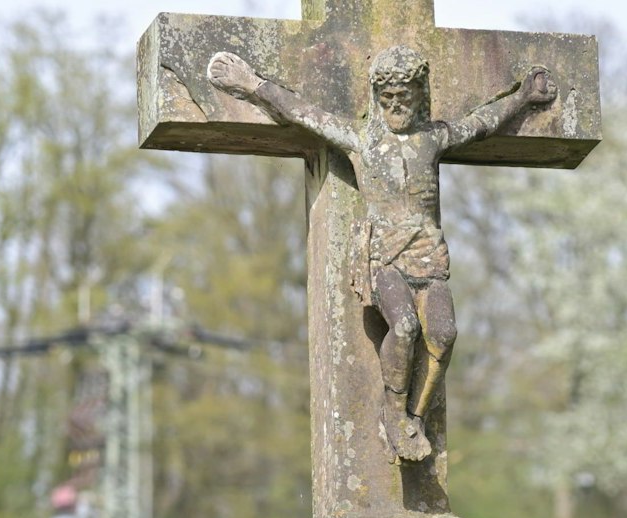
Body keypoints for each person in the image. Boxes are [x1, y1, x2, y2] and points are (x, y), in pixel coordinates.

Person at [208, 45, 556, 461]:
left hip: (428, 257)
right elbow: (301, 112)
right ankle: (393, 412)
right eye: (387, 99)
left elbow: (480, 124)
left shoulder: (433, 137)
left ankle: (415, 416)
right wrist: (251, 84)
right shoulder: (362, 141)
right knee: (405, 326)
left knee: (444, 335)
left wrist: (522, 99)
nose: (396, 107)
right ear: (377, 99)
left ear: (419, 95)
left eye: (404, 98)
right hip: (384, 257)